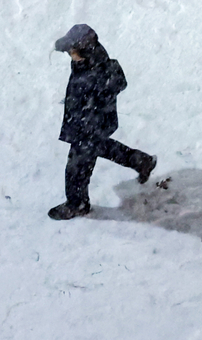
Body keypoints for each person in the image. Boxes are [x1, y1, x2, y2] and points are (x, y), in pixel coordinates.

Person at [49, 24, 156, 220]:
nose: (71, 56)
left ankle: (77, 204)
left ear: (86, 51)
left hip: (89, 126)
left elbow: (112, 86)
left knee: (77, 169)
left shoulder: (99, 70)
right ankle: (142, 161)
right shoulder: (87, 62)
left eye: (73, 52)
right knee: (102, 147)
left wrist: (87, 113)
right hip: (86, 123)